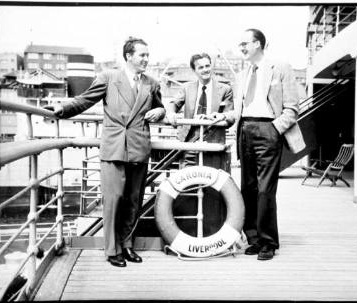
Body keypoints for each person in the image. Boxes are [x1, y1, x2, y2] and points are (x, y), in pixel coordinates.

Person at [45, 37, 165, 267]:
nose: (146, 59)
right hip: (115, 147)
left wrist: (159, 112)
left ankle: (127, 245)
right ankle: (112, 249)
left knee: (133, 200)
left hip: (139, 147)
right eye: (142, 55)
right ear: (128, 56)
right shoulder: (109, 78)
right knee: (113, 200)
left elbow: (160, 107)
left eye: (148, 55)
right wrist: (62, 108)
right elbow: (85, 100)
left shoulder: (151, 83)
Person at [224, 28, 306, 260]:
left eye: (244, 43)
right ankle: (254, 239)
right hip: (245, 131)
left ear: (258, 44)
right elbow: (240, 109)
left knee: (265, 189)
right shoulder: (242, 74)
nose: (241, 48)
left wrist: (275, 128)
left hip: (269, 129)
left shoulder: (280, 67)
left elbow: (292, 107)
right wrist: (223, 117)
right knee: (247, 188)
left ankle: (269, 242)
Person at [166, 53, 234, 168]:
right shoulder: (187, 88)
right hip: (189, 144)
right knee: (187, 181)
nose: (205, 70)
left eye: (207, 66)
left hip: (213, 144)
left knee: (210, 182)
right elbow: (173, 104)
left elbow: (231, 116)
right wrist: (171, 113)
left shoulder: (225, 90)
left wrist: (220, 116)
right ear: (194, 70)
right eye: (201, 67)